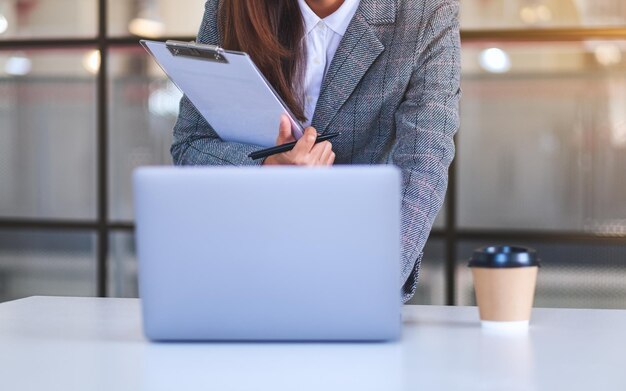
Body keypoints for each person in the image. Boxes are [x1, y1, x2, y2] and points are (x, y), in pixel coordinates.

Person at [171, 0, 461, 302]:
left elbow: (424, 164)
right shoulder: (231, 7)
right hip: (240, 267)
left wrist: (374, 283)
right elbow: (191, 145)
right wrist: (267, 168)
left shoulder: (425, 12)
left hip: (354, 264)